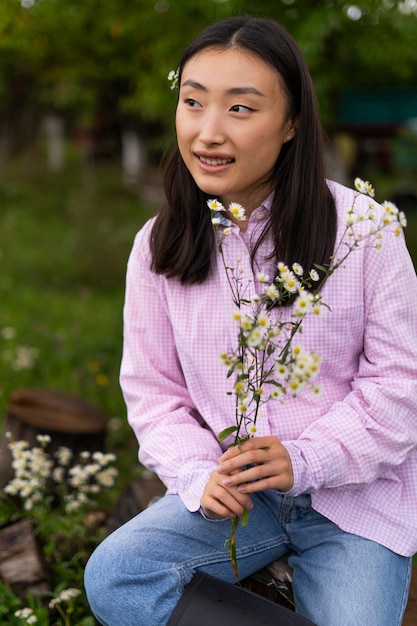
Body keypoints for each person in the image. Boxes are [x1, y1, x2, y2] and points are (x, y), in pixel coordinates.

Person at [84, 16, 417, 626]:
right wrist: (195, 472)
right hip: (238, 500)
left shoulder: (365, 232)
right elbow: (155, 392)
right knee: (117, 576)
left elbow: (402, 386)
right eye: (192, 103)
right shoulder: (159, 245)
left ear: (292, 124)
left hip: (356, 499)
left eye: (240, 108)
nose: (207, 132)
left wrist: (307, 458)